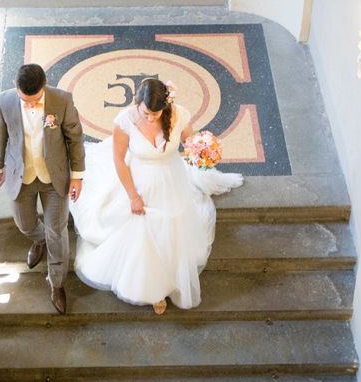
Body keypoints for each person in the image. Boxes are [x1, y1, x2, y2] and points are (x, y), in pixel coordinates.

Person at [70, 78, 242, 314]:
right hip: (139, 180)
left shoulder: (178, 115)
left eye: (156, 113)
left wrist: (202, 152)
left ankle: (171, 279)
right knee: (143, 230)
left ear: (165, 106)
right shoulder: (125, 121)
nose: (150, 118)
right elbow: (119, 160)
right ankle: (153, 289)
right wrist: (132, 196)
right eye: (146, 113)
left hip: (171, 179)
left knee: (171, 228)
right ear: (137, 103)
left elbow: (189, 143)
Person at [0, 63, 85, 314]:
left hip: (54, 178)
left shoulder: (62, 100)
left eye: (36, 100)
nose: (31, 105)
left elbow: (75, 139)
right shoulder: (4, 101)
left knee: (58, 231)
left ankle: (57, 283)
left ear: (44, 86)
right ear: (16, 87)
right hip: (20, 176)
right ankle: (39, 239)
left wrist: (77, 176)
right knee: (24, 223)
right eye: (26, 100)